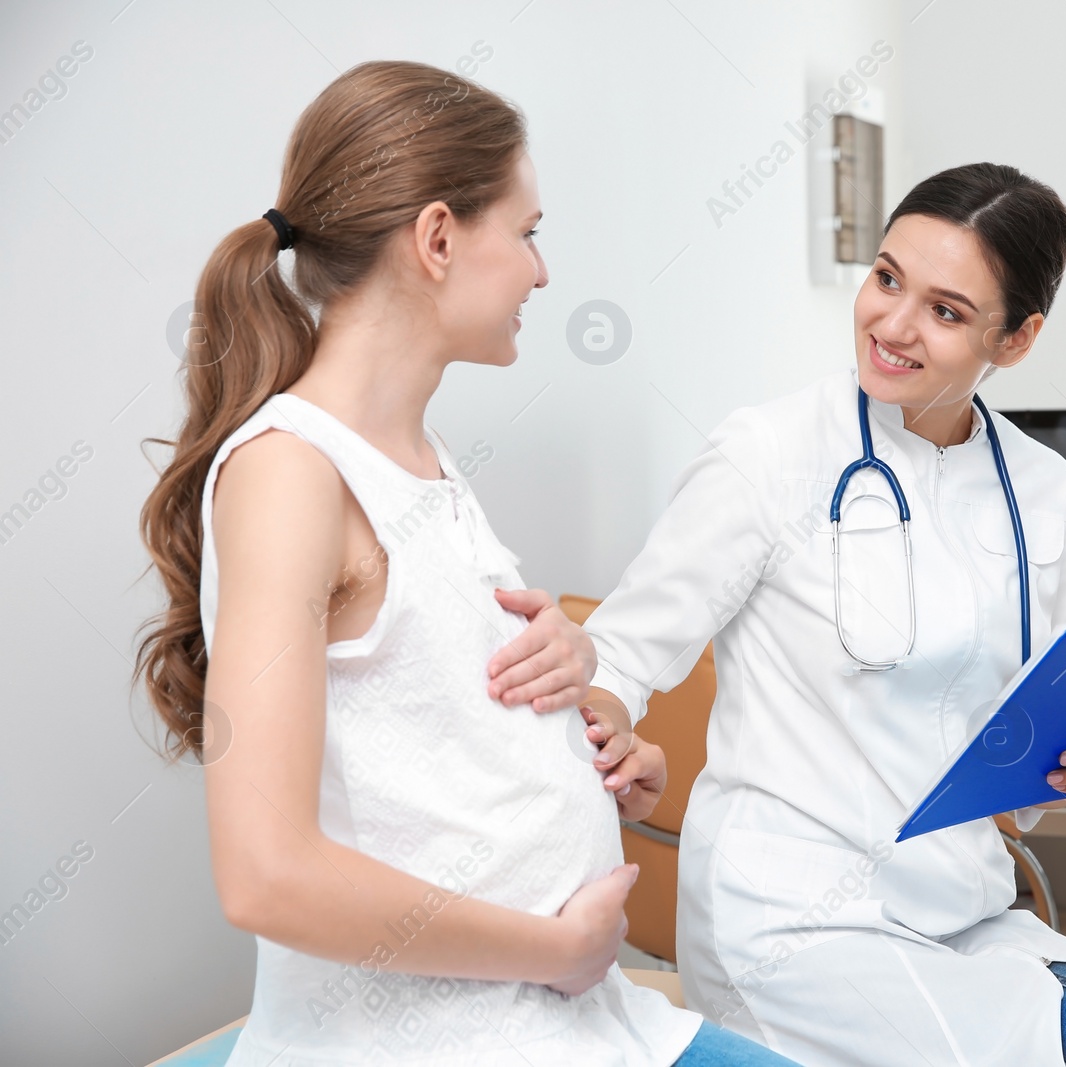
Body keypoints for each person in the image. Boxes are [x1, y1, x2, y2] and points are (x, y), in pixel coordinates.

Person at [488, 163, 1066, 1065]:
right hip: (788, 926)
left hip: (968, 913)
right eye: (887, 278)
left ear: (1015, 339)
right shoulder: (770, 453)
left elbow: (1026, 754)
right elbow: (620, 655)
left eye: (944, 310)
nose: (891, 324)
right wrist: (611, 719)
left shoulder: (1047, 491)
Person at [134, 59, 797, 1067]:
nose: (541, 270)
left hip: (570, 1017)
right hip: (441, 1033)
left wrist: (590, 747)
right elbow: (263, 874)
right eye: (527, 233)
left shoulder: (421, 463)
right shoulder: (290, 477)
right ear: (438, 238)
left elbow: (419, 726)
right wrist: (557, 947)